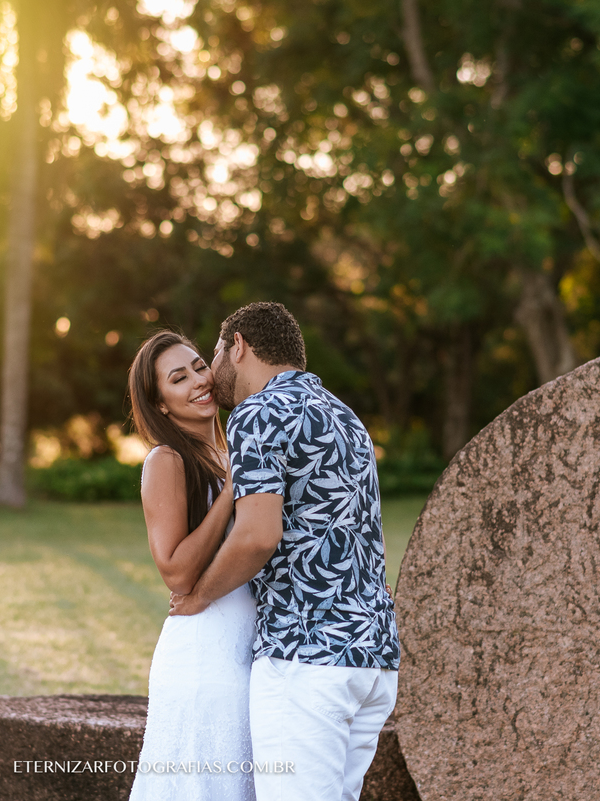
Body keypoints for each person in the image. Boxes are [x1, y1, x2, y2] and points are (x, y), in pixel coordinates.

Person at [170, 301, 400, 801]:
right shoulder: (345, 416)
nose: (212, 373)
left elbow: (257, 535)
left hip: (308, 657)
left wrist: (200, 595)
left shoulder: (257, 413)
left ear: (239, 346)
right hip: (373, 659)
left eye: (214, 354)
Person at [127, 330, 257, 801]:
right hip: (205, 659)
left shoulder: (230, 449)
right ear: (161, 404)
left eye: (200, 366)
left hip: (248, 651)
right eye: (179, 379)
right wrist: (229, 492)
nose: (199, 381)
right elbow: (177, 573)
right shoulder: (167, 460)